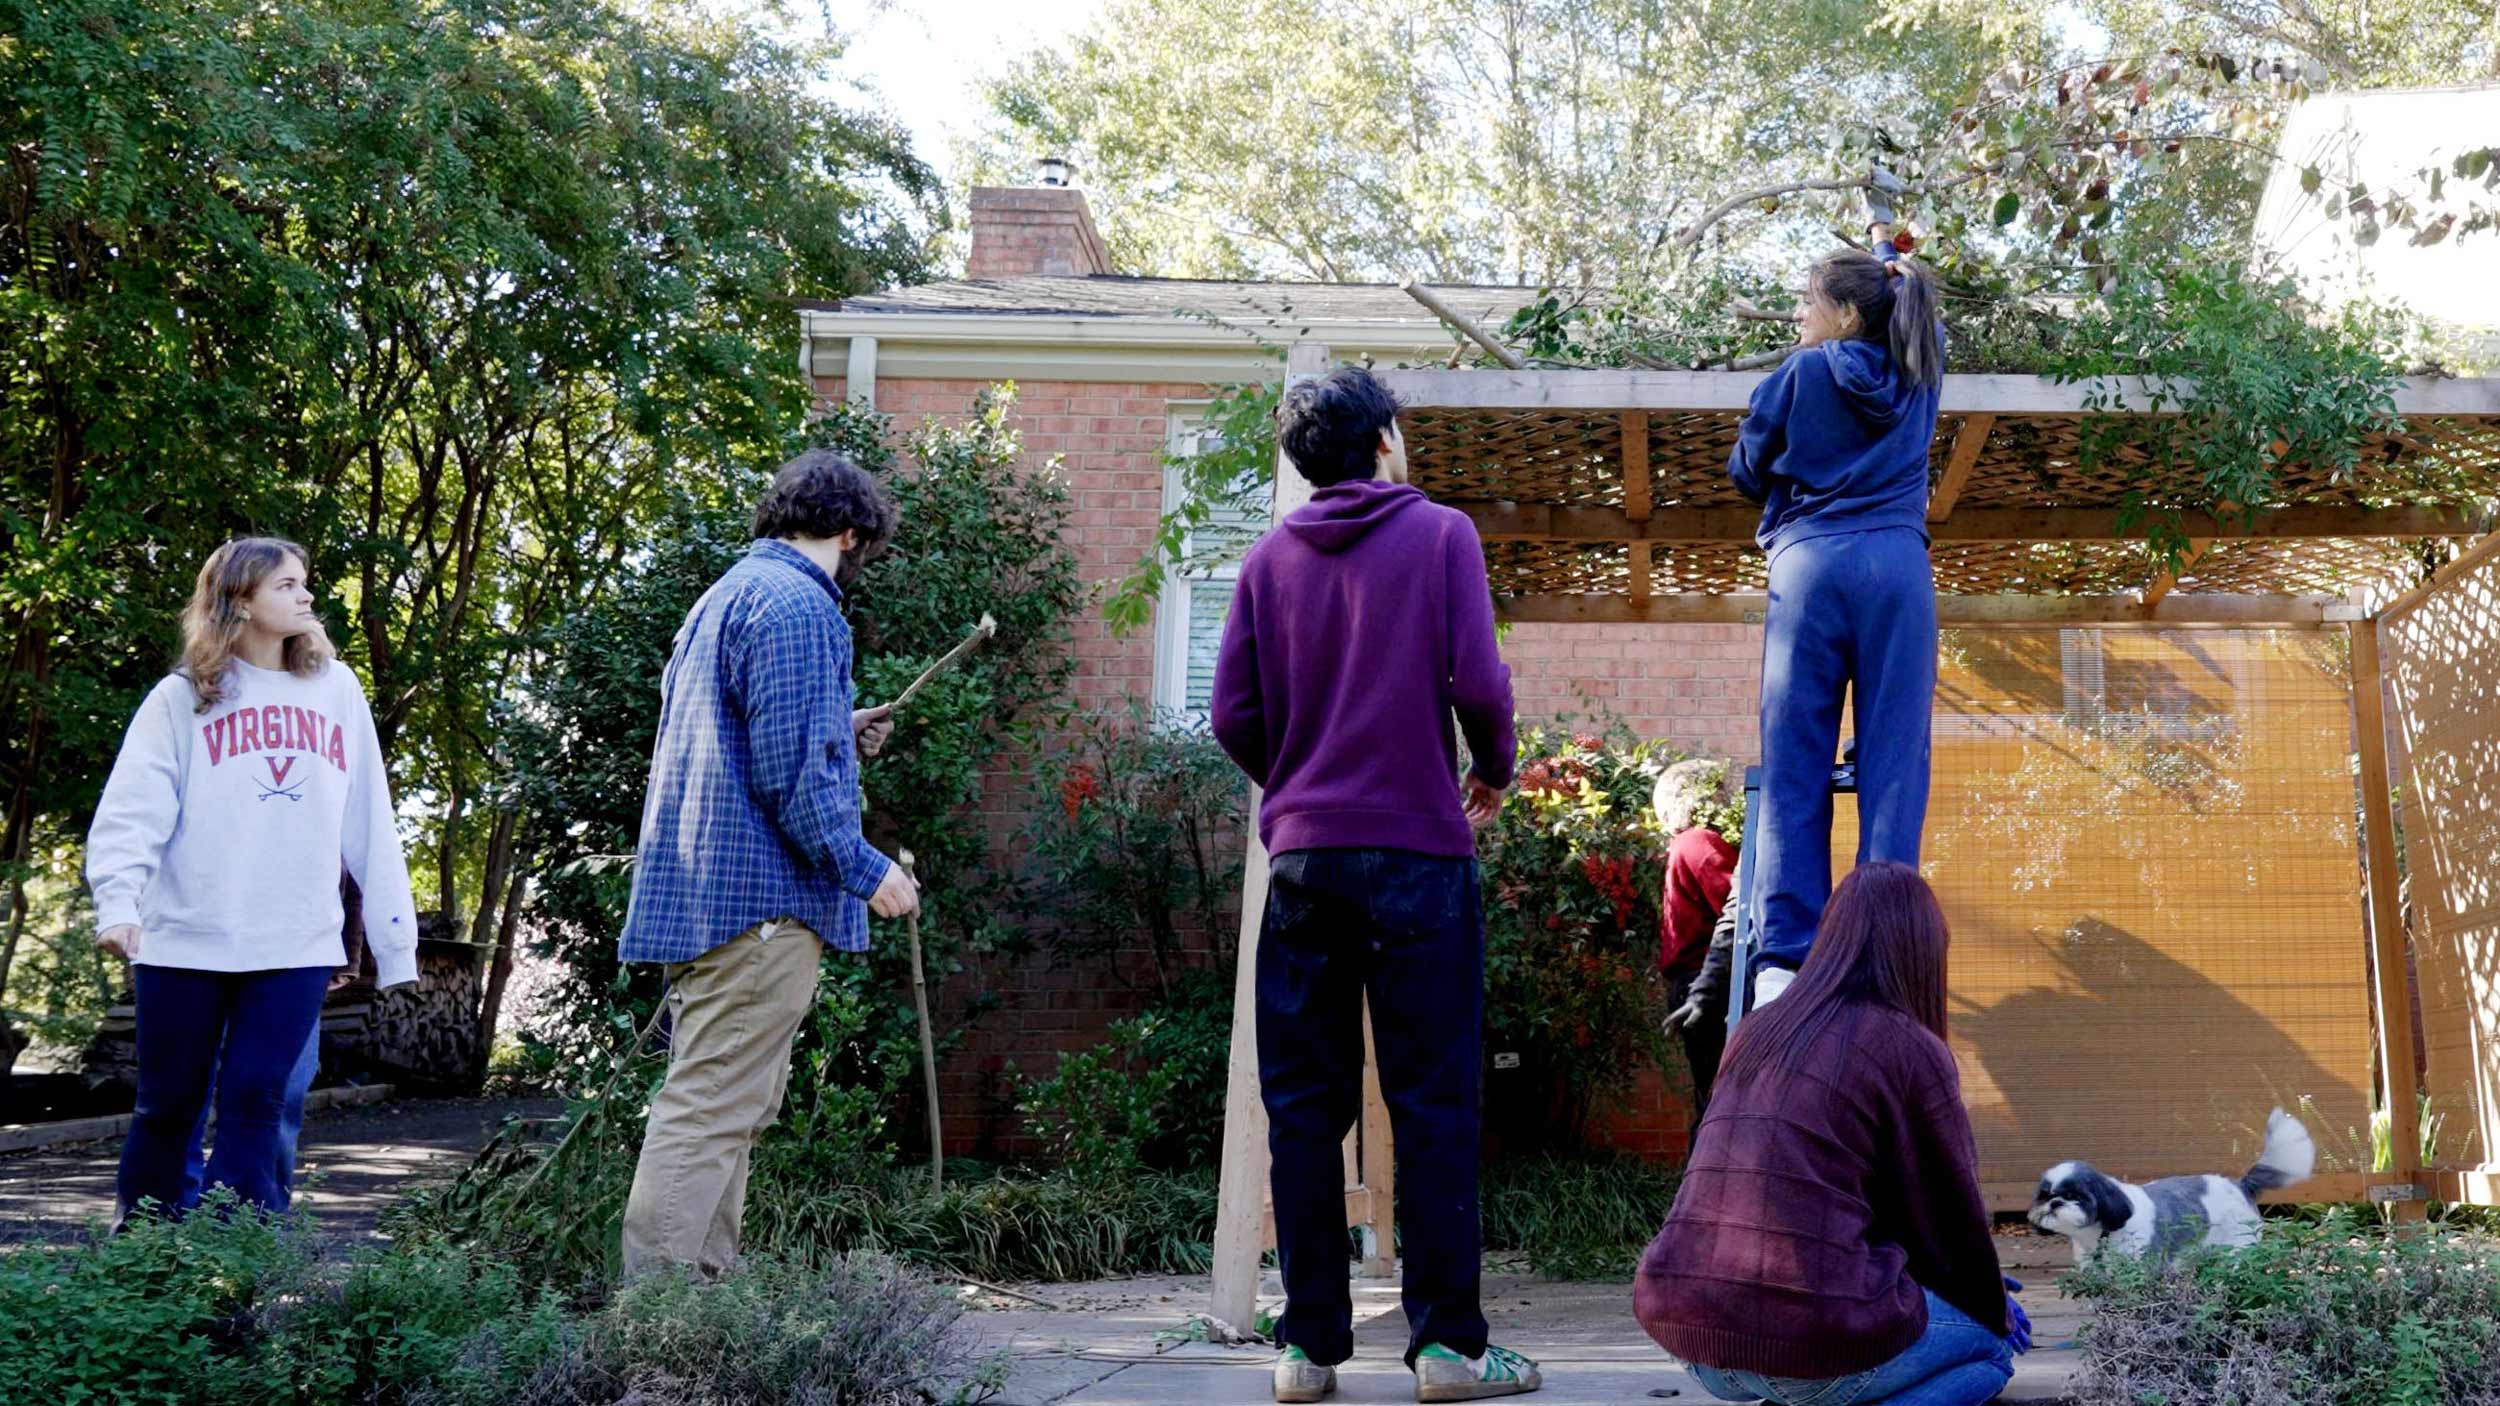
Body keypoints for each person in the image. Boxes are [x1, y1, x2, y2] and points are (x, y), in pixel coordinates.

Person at [1211, 366, 1541, 1405]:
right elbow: (1479, 681)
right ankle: (1448, 1350)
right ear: (1388, 439)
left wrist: (1302, 787)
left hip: (1305, 861)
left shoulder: (1266, 562)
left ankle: (1306, 1349)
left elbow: (1231, 714)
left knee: (1303, 1106)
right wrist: (1492, 767)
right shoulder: (1441, 535)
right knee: (1433, 1098)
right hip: (1419, 859)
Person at [617, 448, 917, 1280]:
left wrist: (836, 723)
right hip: (762, 910)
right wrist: (868, 869)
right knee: (712, 1108)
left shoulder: (726, 597)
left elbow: (742, 740)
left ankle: (700, 1317)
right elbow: (792, 777)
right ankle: (661, 1329)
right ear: (852, 532)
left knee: (727, 1105)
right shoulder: (801, 607)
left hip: (709, 899)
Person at [87, 537, 420, 1221]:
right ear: (238, 599)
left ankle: (229, 1279)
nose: (306, 597)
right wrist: (118, 902)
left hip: (294, 941)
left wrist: (395, 942)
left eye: (305, 584)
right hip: (184, 939)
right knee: (166, 1108)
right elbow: (132, 810)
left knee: (256, 1105)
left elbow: (370, 821)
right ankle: (145, 1266)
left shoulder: (336, 689)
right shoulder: (181, 697)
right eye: (287, 586)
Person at [1633, 863, 2029, 1406]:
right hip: (1804, 1341)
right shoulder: (1909, 1046)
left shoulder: (1758, 1030)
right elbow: (1947, 1210)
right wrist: (1990, 1306)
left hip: (1694, 1339)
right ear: (1923, 950)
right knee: (1989, 1350)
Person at [1731, 193, 1943, 1008]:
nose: (1796, 314)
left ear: (1848, 314)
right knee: (1895, 763)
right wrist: (1894, 256)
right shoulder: (1923, 372)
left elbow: (1749, 469)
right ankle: (1882, 955)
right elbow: (1911, 306)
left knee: (1797, 761)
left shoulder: (1802, 373)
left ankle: (1785, 960)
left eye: (1807, 300)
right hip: (1898, 570)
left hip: (1811, 568)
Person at [1651, 761, 1735, 1149]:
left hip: (1690, 982)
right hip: (1707, 982)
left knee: (1711, 1097)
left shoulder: (1682, 845)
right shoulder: (1699, 842)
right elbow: (1739, 903)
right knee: (1722, 1101)